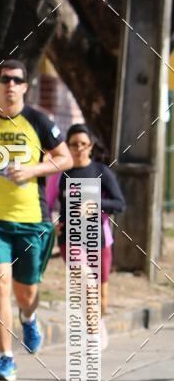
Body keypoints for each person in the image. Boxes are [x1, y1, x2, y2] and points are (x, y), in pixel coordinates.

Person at [0, 59, 72, 381]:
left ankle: (29, 319)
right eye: (5, 79)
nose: (11, 85)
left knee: (25, 293)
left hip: (32, 220)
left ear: (25, 86)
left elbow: (65, 157)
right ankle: (5, 358)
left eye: (17, 80)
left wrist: (31, 170)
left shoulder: (38, 120)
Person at [56, 123, 125, 348]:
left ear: (91, 146)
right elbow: (52, 204)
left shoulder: (101, 171)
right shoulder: (62, 174)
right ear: (67, 146)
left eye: (83, 144)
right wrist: (55, 222)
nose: (78, 149)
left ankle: (98, 323)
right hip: (71, 237)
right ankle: (93, 332)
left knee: (100, 296)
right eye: (73, 144)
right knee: (86, 281)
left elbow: (119, 204)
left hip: (98, 238)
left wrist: (95, 204)